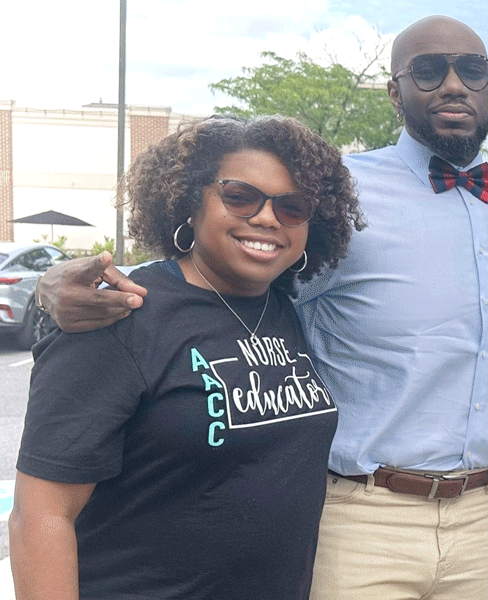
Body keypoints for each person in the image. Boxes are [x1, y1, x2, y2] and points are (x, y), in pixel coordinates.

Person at [33, 16, 488, 600]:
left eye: (472, 70)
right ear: (395, 91)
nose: (453, 85)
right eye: (428, 70)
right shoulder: (340, 196)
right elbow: (216, 267)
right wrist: (52, 284)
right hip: (366, 516)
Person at [10, 115, 363, 600]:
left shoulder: (284, 308)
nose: (266, 218)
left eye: (292, 206)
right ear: (190, 201)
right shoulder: (118, 315)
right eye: (240, 196)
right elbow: (42, 513)